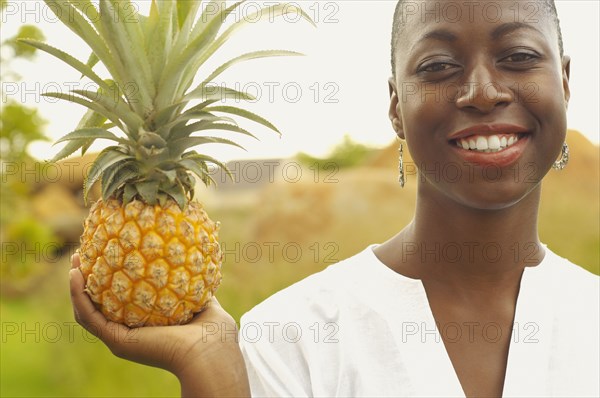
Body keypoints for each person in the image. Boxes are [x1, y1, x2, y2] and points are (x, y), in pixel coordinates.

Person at [69, 0, 599, 396]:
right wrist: (214, 374)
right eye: (438, 66)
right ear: (395, 104)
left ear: (566, 82)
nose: (483, 91)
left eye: (519, 55)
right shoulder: (287, 339)